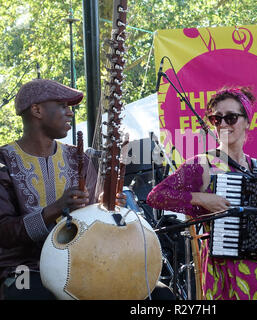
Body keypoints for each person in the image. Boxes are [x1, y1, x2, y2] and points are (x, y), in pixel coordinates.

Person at [147, 85, 257, 300]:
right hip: (226, 263)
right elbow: (156, 196)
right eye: (216, 119)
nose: (223, 124)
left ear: (247, 122)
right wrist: (201, 198)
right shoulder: (202, 164)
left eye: (230, 118)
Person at [0, 79, 173, 300]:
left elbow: (95, 215)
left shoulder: (77, 157)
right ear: (36, 110)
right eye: (63, 106)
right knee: (31, 294)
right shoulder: (4, 161)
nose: (70, 113)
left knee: (159, 295)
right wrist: (54, 210)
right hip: (23, 268)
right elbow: (4, 233)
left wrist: (107, 206)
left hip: (86, 261)